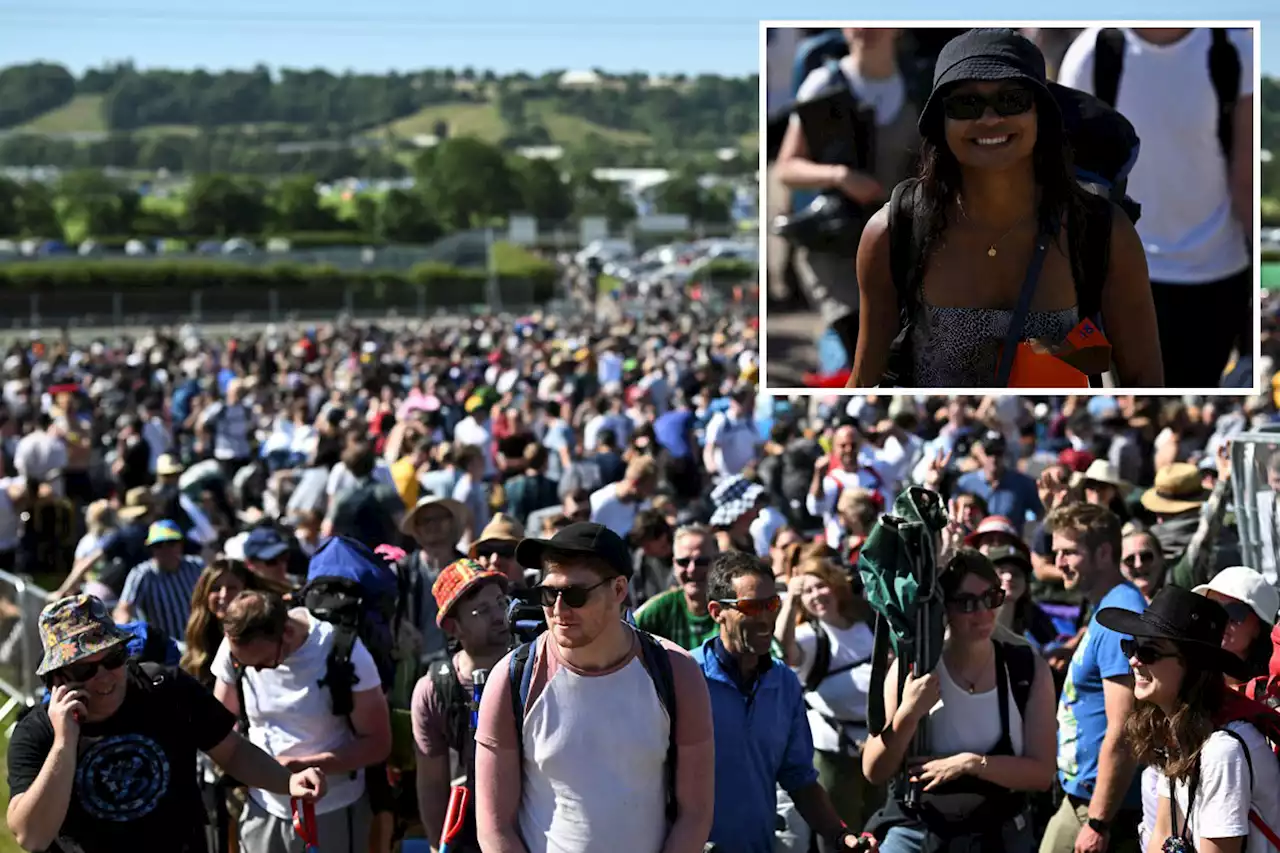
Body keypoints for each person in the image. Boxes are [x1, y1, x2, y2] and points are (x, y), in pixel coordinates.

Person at [849, 28, 1163, 388]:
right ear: (940, 121)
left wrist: (1060, 356)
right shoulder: (893, 232)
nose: (989, 119)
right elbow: (863, 382)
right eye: (966, 104)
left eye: (1011, 100)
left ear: (1041, 115)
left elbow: (1145, 382)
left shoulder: (1102, 231)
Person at [5, 594, 326, 853]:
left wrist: (287, 782)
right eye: (83, 670)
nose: (103, 676)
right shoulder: (37, 733)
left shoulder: (166, 688)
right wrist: (64, 743)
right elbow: (31, 837)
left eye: (112, 658)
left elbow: (231, 752)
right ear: (57, 679)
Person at [473, 522, 716, 853]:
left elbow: (695, 814)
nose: (558, 610)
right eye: (548, 593)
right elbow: (494, 827)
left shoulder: (677, 671)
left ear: (618, 590)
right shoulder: (512, 679)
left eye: (575, 595)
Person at [1058, 28, 1255, 387]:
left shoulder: (1234, 49)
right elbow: (1071, 183)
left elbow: (1246, 180)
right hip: (1120, 273)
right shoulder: (1093, 52)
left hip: (1217, 274)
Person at [860, 549, 1057, 852]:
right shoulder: (914, 668)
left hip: (998, 833)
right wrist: (908, 714)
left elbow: (1042, 774)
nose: (983, 613)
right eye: (966, 603)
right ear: (943, 609)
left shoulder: (1026, 668)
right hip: (920, 829)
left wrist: (970, 764)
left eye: (991, 597)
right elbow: (874, 770)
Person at [696, 551, 878, 853]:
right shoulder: (686, 678)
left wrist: (839, 835)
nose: (767, 617)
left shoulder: (784, 683)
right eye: (753, 607)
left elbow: (799, 778)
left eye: (772, 605)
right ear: (716, 612)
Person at [774, 28, 920, 378]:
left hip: (897, 247)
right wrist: (840, 177)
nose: (866, 27)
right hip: (836, 246)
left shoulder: (916, 85)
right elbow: (787, 167)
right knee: (855, 348)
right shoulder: (824, 82)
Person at [1096, 585, 1280, 853]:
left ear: (1191, 664)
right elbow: (1162, 833)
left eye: (1150, 652)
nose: (1135, 660)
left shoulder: (1222, 750)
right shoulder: (1180, 732)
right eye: (1132, 646)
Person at [211, 590, 392, 853]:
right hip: (262, 809)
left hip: (333, 812)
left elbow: (378, 743)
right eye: (243, 665)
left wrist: (302, 767)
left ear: (286, 632)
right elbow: (218, 728)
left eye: (263, 664)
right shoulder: (237, 649)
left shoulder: (343, 652)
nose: (255, 671)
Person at [1040, 503, 1145, 853]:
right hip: (1086, 794)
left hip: (1099, 806)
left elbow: (1125, 726)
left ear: (1103, 553)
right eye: (1056, 552)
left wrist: (1098, 821)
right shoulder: (1107, 607)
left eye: (1069, 552)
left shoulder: (1121, 614)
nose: (1058, 563)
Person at [775, 556, 883, 836]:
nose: (816, 596)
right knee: (841, 832)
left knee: (880, 824)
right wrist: (789, 600)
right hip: (834, 754)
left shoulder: (865, 624)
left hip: (880, 745)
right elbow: (785, 649)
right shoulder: (810, 637)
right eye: (807, 592)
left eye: (820, 587)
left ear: (834, 586)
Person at [411, 558, 511, 853]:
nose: (499, 616)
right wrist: (435, 843)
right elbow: (431, 782)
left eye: (500, 602)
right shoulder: (434, 690)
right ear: (454, 628)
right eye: (482, 610)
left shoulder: (531, 670)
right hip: (469, 829)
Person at [113, 519, 205, 642]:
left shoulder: (196, 566)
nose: (165, 549)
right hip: (165, 650)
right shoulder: (142, 574)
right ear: (151, 549)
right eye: (158, 545)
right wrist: (121, 633)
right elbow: (123, 609)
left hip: (201, 642)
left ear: (181, 544)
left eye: (171, 543)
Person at [633, 523, 721, 650]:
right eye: (683, 562)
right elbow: (621, 635)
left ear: (717, 562)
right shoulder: (660, 608)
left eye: (702, 561)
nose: (692, 569)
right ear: (674, 564)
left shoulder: (730, 608)